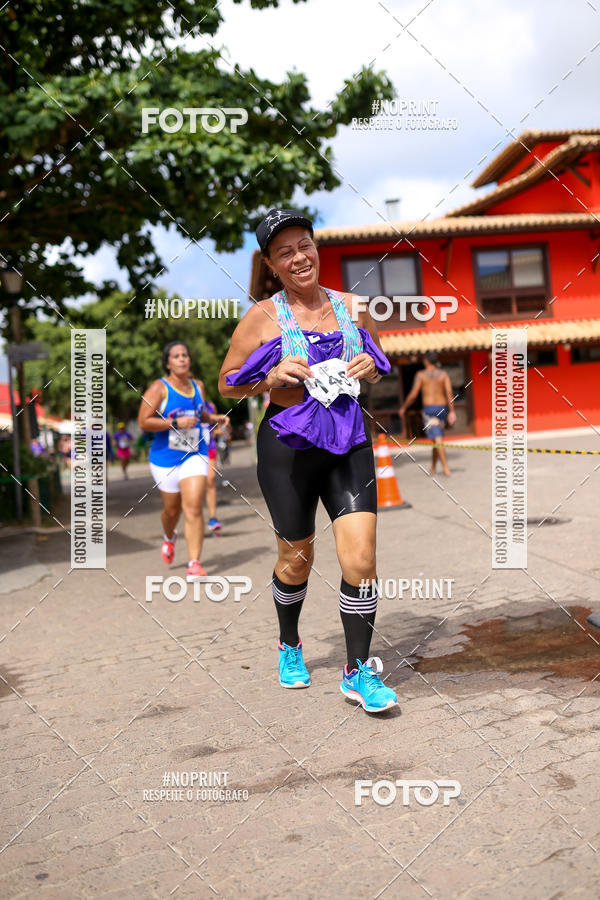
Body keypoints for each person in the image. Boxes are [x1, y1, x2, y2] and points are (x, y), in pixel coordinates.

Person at [219, 208, 398, 714]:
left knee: (361, 558)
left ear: (316, 249)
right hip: (287, 449)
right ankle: (289, 643)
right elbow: (227, 382)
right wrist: (270, 378)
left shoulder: (352, 306)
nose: (298, 258)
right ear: (271, 265)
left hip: (349, 441)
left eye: (304, 246)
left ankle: (358, 670)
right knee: (296, 559)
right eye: (285, 252)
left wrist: (369, 367)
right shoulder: (262, 316)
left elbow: (377, 363)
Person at [138, 341, 229, 580]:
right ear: (168, 363)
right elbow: (144, 421)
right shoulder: (159, 388)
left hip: (194, 453)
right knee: (172, 511)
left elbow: (201, 414)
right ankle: (169, 537)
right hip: (165, 459)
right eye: (176, 356)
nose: (182, 359)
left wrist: (214, 418)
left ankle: (194, 563)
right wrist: (174, 423)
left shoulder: (198, 386)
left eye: (185, 355)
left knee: (194, 506)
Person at [399, 351, 456, 475]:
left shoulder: (421, 375)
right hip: (442, 409)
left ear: (426, 361)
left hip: (429, 411)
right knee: (436, 438)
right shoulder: (443, 374)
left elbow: (413, 394)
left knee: (437, 438)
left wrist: (404, 407)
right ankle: (433, 468)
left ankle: (446, 469)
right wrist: (452, 411)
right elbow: (449, 393)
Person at [202, 398, 221, 531]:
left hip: (209, 447)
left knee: (210, 479)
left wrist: (218, 430)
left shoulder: (210, 406)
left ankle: (212, 518)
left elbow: (216, 426)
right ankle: (193, 516)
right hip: (189, 449)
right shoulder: (186, 404)